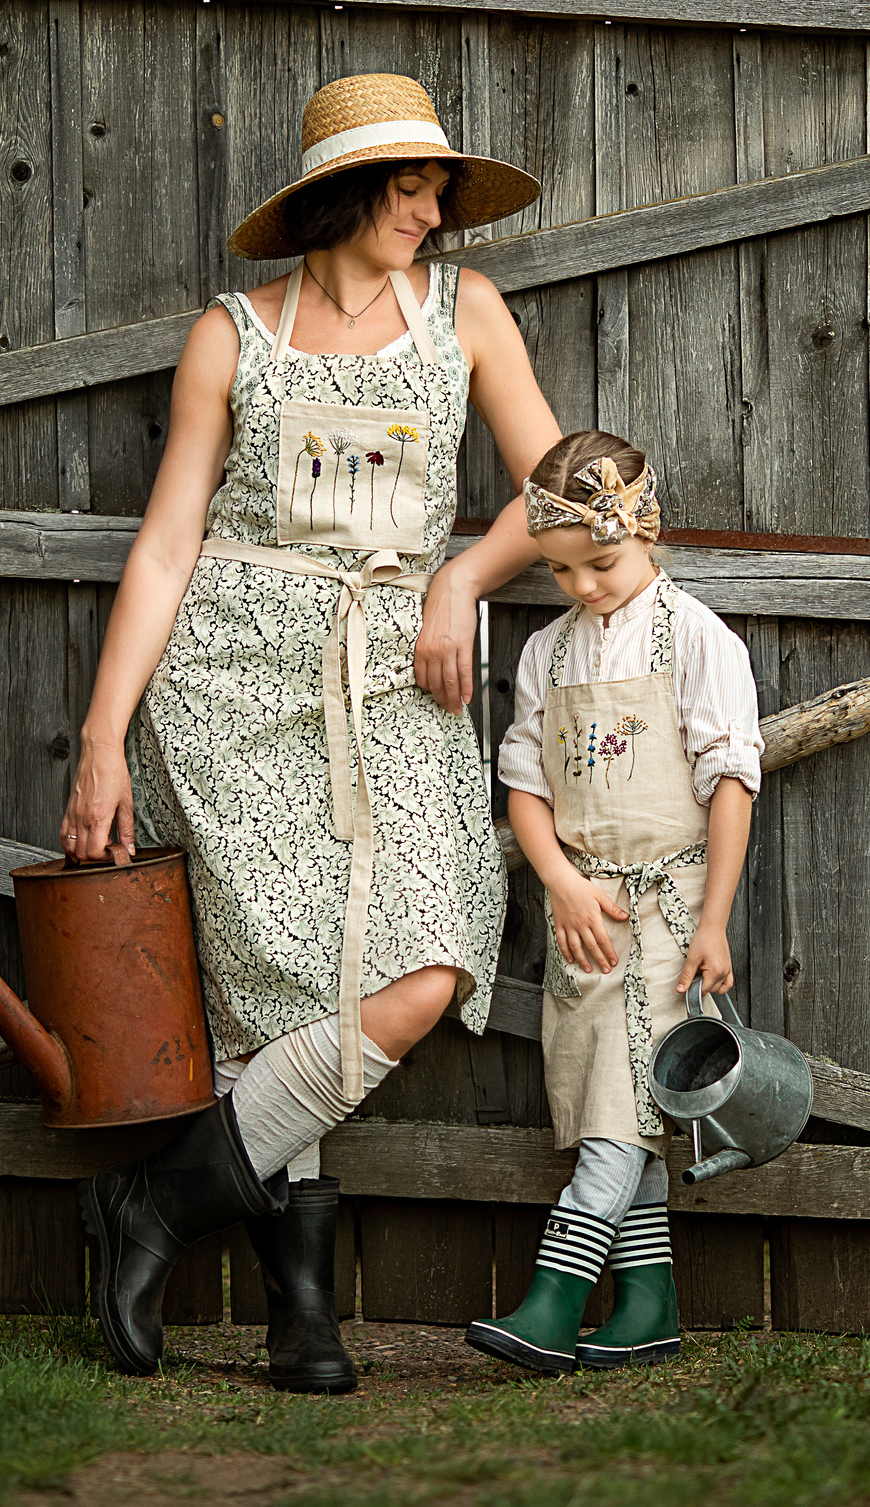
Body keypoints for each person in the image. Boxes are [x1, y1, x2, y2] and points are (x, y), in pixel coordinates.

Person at [58, 74, 562, 1391]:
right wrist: (105, 735)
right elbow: (168, 545)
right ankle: (305, 1313)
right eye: (405, 182)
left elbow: (560, 489)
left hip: (399, 672)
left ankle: (156, 1199)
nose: (431, 203)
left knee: (435, 954)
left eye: (436, 182)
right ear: (337, 193)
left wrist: (458, 578)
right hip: (230, 678)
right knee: (275, 986)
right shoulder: (234, 335)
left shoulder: (468, 312)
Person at [466, 431, 764, 1374]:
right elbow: (524, 783)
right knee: (610, 1104)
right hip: (584, 918)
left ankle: (553, 1302)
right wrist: (558, 880)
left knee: (618, 1113)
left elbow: (732, 784)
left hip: (668, 913)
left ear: (645, 534)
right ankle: (646, 1304)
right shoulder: (547, 655)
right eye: (559, 571)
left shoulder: (698, 640)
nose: (582, 586)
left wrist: (712, 918)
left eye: (600, 563)